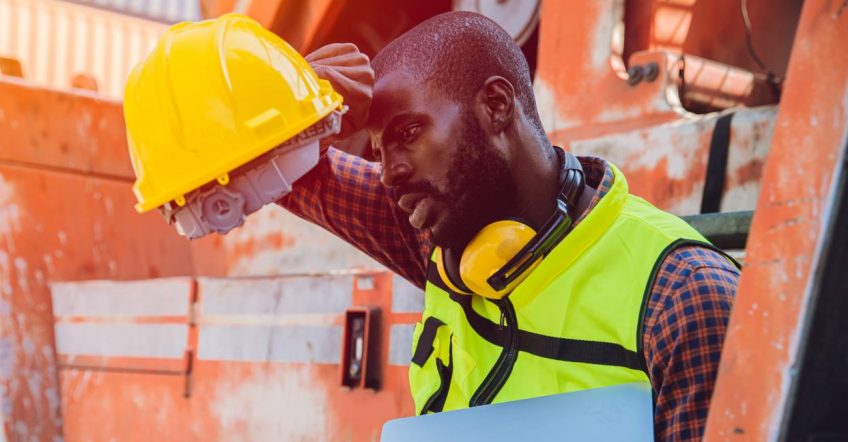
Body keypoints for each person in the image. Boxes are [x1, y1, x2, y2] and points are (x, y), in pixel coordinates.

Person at [287, 11, 740, 441]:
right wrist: (289, 101)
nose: (388, 173)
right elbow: (272, 176)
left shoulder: (682, 297)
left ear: (496, 105)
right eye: (379, 152)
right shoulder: (437, 236)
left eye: (407, 135)